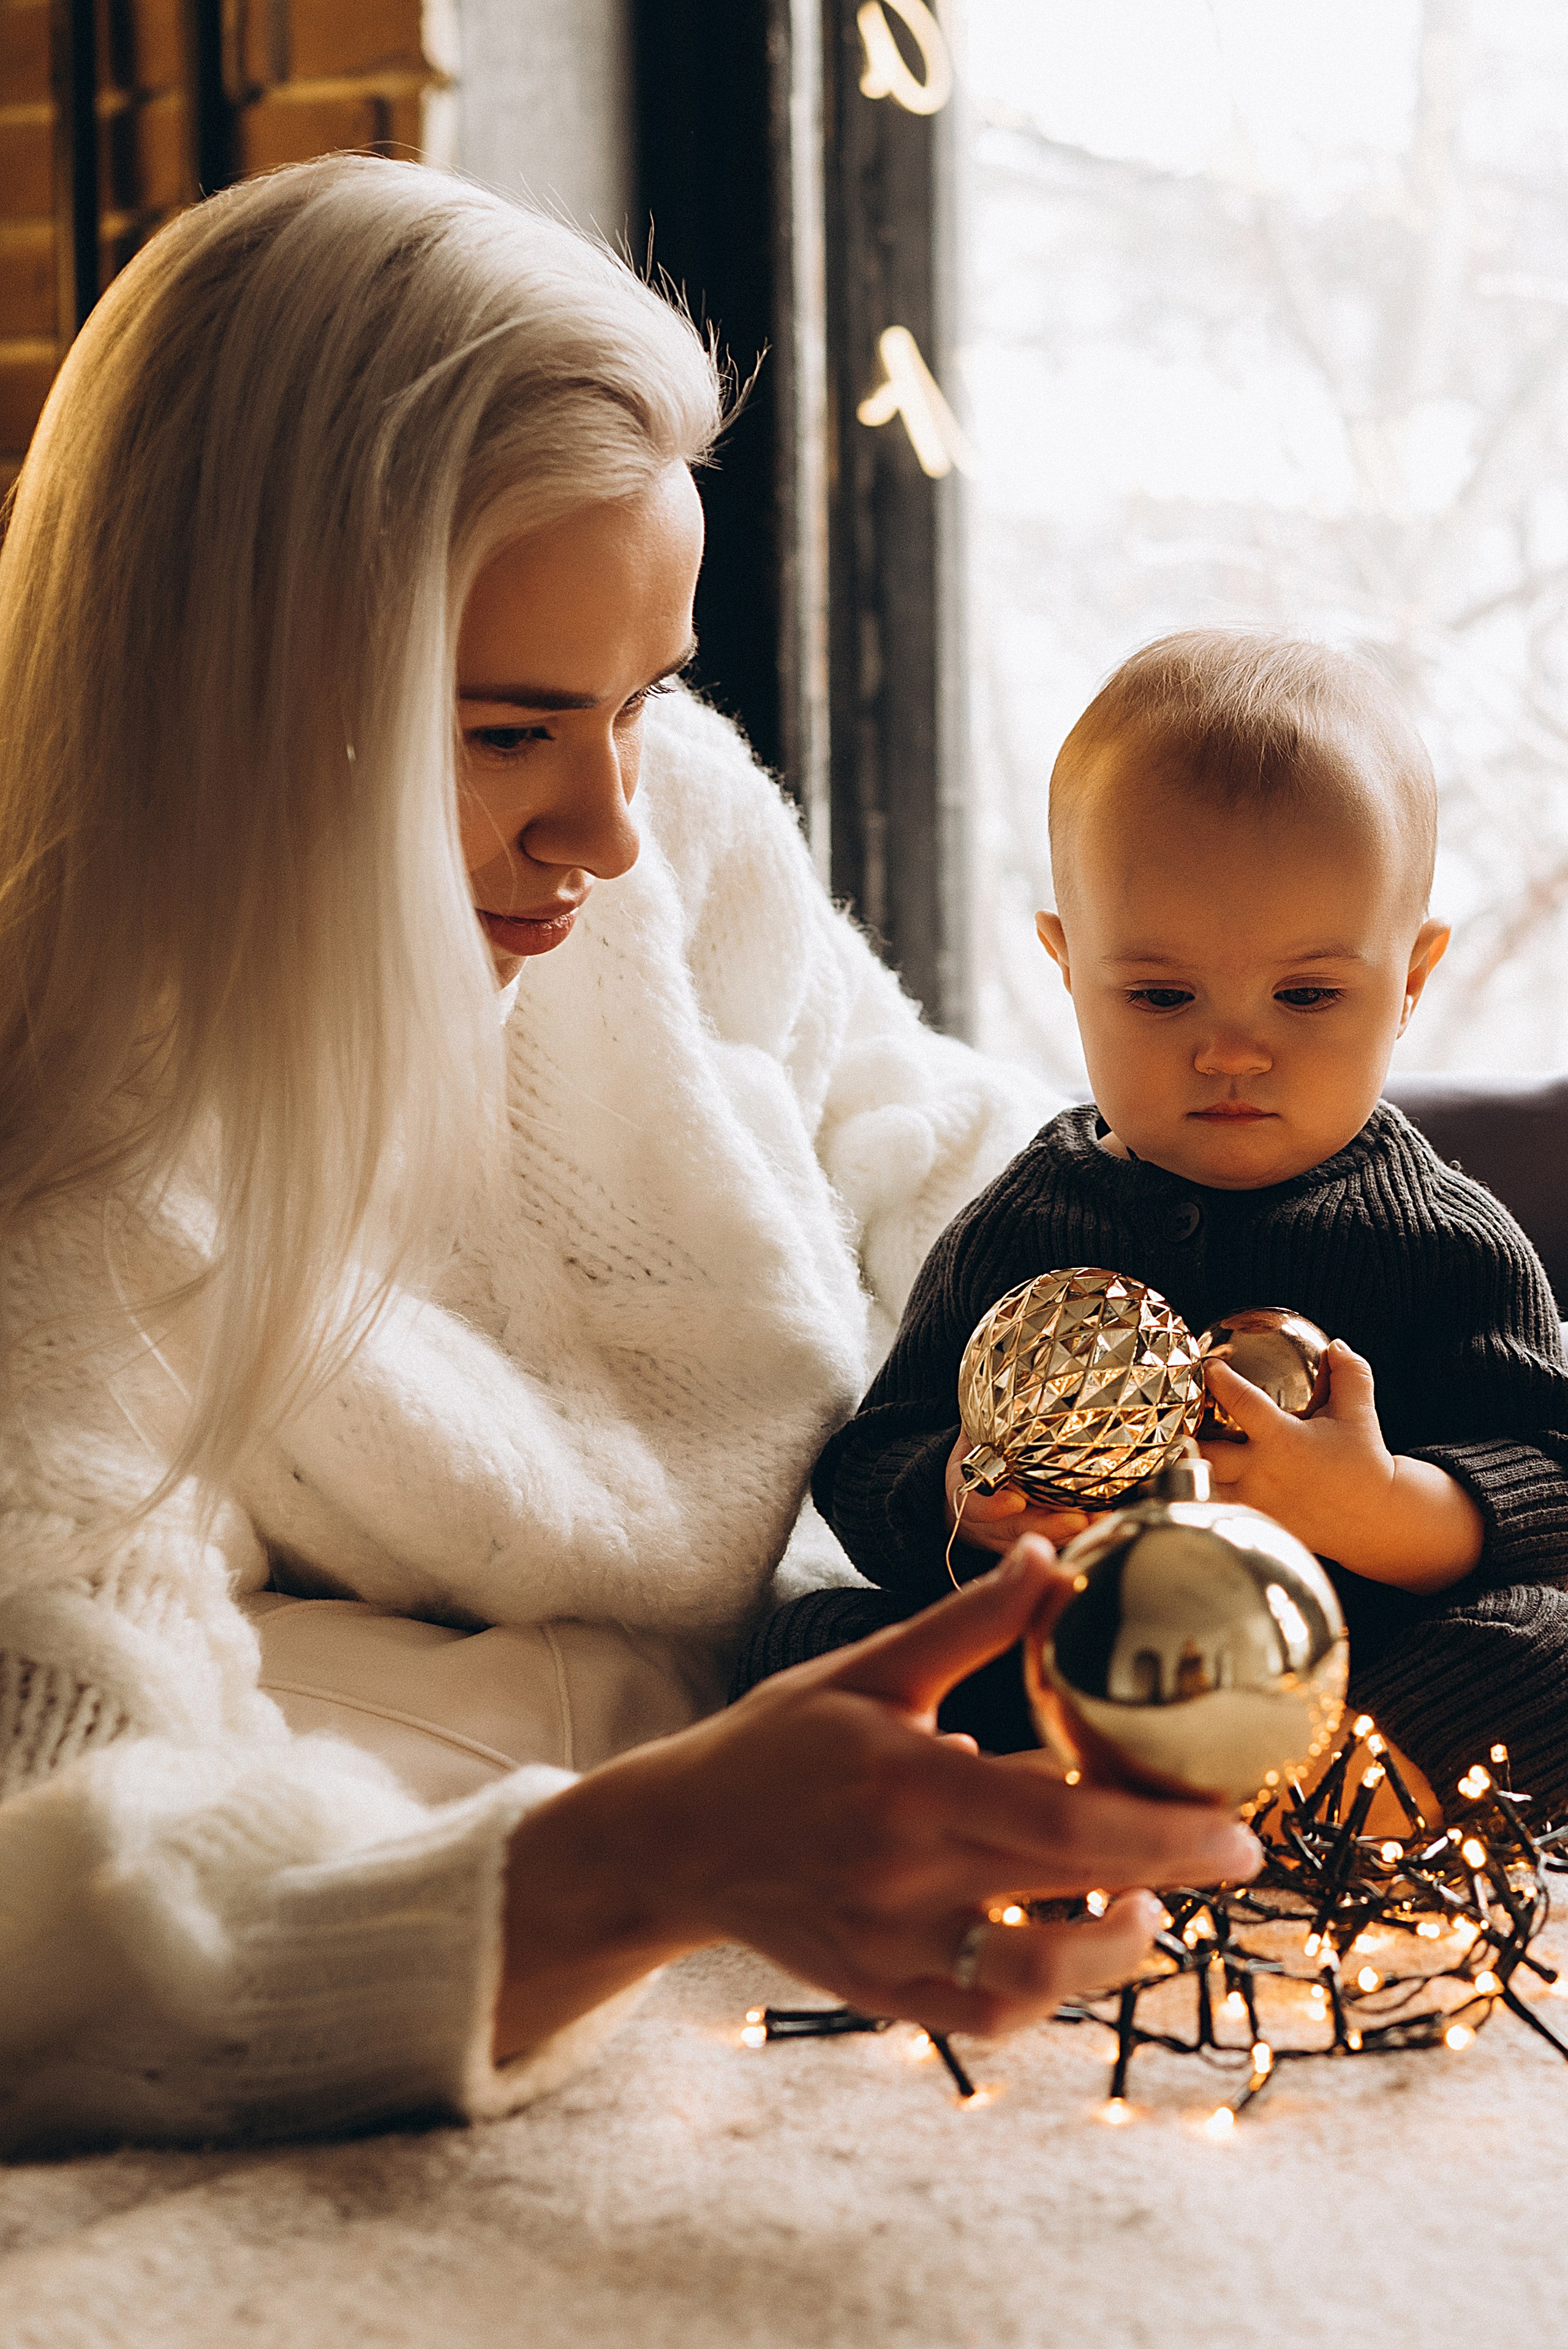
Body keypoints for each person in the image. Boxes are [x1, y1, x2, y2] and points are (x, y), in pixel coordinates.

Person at [0, 161, 1261, 2157]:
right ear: (230, 693)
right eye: (508, 732)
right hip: (558, 1799)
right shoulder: (73, 1174)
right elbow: (77, 1871)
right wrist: (630, 1860)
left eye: (644, 693)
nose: (609, 824)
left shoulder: (659, 818)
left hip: (822, 1638)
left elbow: (907, 1120)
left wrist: (1152, 1360)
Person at [744, 633, 1568, 1808]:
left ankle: (1301, 1808)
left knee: (1547, 1647)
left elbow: (1551, 1489)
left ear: (1413, 983)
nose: (1232, 1047)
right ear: (1068, 966)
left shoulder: (1447, 1243)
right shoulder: (1031, 1221)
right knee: (805, 1645)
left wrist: (1379, 1508)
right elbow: (876, 1449)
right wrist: (966, 1502)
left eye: (1309, 995)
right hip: (1078, 1661)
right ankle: (1057, 1788)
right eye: (1161, 994)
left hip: (1356, 1684)